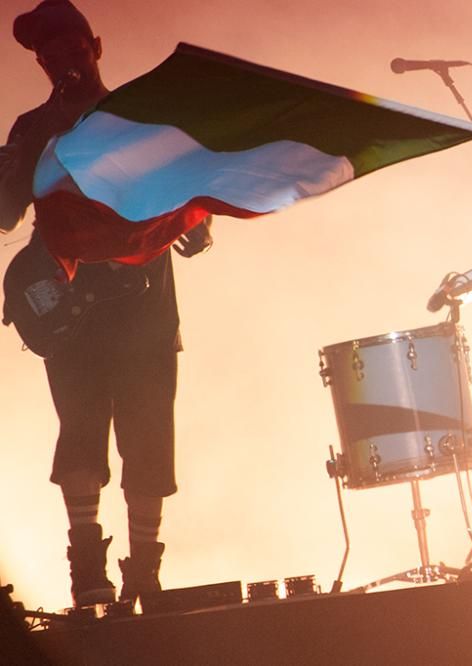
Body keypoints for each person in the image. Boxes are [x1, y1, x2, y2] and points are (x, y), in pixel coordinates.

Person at [1, 0, 212, 608]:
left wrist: (199, 219)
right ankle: (87, 569)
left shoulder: (143, 117)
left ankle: (143, 574)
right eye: (49, 57)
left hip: (145, 301)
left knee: (149, 435)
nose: (62, 62)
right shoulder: (32, 128)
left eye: (72, 49)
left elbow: (190, 207)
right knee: (80, 430)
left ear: (96, 47)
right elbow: (5, 214)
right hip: (71, 301)